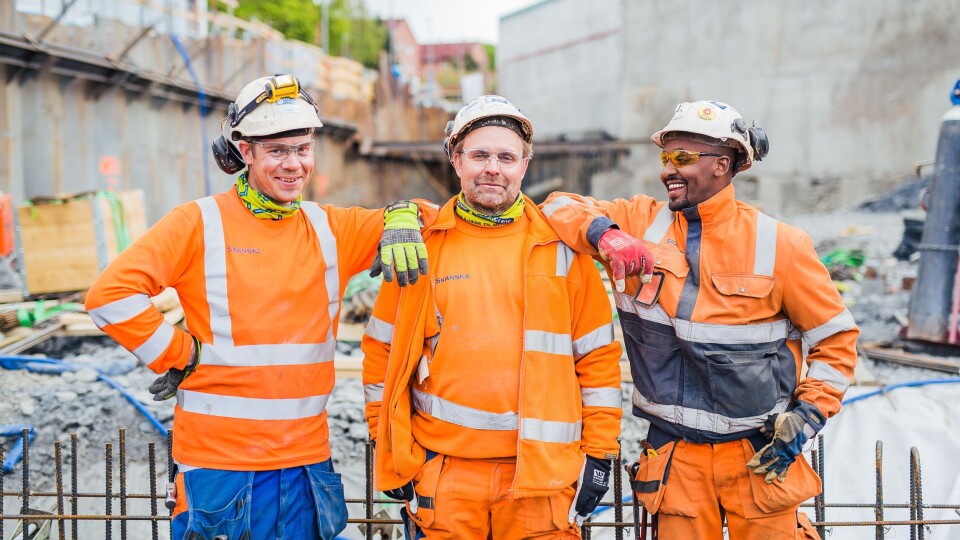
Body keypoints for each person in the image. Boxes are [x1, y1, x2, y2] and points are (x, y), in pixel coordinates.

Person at [85, 74, 429, 540]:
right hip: (220, 466)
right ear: (245, 152)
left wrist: (405, 212)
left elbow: (444, 221)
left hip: (307, 464)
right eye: (277, 151)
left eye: (302, 149)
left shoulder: (330, 227)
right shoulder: (198, 223)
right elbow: (109, 296)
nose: (294, 165)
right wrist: (178, 354)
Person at [541, 100, 858, 539]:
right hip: (675, 460)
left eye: (683, 159)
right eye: (666, 158)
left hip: (758, 454)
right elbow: (557, 205)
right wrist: (606, 235)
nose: (668, 170)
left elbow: (836, 341)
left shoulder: (780, 244)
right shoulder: (639, 221)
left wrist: (807, 414)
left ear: (723, 165)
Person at [361, 95, 623, 539]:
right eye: (479, 155)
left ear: (525, 165)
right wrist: (390, 450)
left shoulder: (561, 251)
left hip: (542, 479)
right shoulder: (420, 247)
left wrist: (599, 455)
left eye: (506, 157)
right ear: (456, 160)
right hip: (444, 479)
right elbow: (381, 353)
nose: (493, 168)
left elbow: (597, 361)